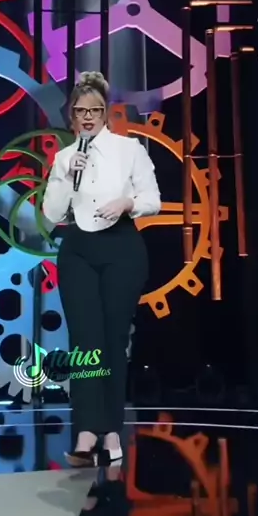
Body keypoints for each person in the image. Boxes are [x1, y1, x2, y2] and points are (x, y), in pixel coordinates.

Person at [42, 72, 161, 466]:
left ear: (105, 112)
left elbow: (153, 199)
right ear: (72, 116)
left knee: (112, 341)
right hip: (78, 250)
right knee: (84, 343)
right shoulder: (64, 157)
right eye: (81, 111)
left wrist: (128, 203)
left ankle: (111, 432)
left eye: (94, 110)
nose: (88, 117)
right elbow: (51, 214)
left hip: (122, 248)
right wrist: (65, 177)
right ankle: (86, 431)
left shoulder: (129, 150)